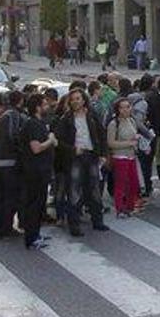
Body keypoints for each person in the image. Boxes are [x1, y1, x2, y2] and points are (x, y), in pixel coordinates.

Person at [56, 89, 109, 236]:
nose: (75, 101)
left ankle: (98, 221)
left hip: (91, 155)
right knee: (74, 191)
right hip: (76, 158)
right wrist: (73, 150)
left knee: (94, 190)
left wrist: (103, 154)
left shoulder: (92, 116)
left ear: (83, 100)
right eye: (72, 99)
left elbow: (101, 135)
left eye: (78, 98)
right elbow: (58, 141)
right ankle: (74, 225)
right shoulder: (66, 119)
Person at [20, 94, 57, 249]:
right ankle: (32, 238)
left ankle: (35, 234)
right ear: (37, 107)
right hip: (35, 171)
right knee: (34, 204)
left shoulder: (38, 123)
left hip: (40, 170)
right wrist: (51, 140)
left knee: (39, 203)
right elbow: (36, 148)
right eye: (44, 104)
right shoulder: (33, 124)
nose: (47, 107)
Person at [0, 91, 27, 238]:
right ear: (20, 101)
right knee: (9, 197)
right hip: (8, 162)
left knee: (0, 196)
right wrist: (21, 151)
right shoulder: (12, 116)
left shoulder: (2, 115)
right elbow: (13, 137)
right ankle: (5, 228)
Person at [107, 98, 141, 218]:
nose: (126, 110)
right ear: (118, 109)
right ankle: (120, 208)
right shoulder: (113, 124)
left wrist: (136, 140)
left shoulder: (131, 120)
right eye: (122, 107)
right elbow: (111, 143)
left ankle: (130, 206)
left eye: (128, 106)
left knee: (134, 183)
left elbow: (134, 135)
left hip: (131, 156)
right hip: (120, 156)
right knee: (120, 184)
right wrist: (129, 143)